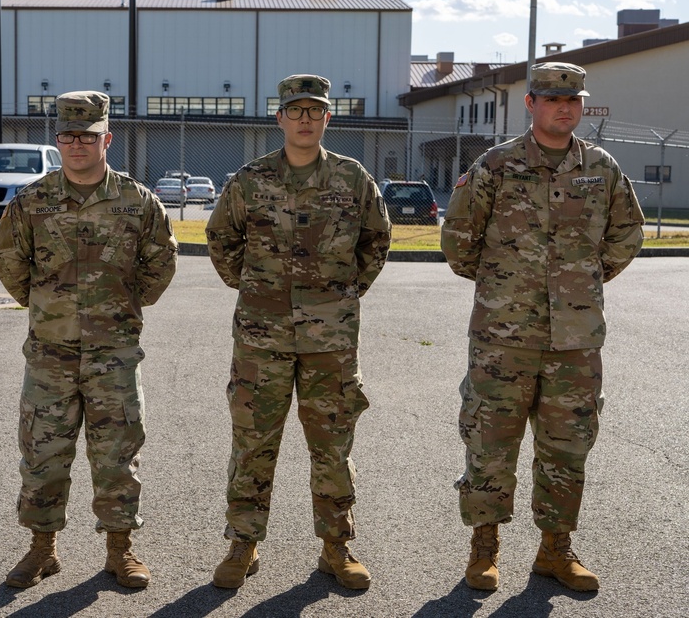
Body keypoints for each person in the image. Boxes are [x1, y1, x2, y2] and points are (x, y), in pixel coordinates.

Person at [441, 62, 645, 592]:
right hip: (502, 340)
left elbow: (626, 234)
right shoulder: (496, 166)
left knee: (568, 446)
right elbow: (458, 242)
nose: (564, 108)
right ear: (530, 104)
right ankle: (484, 549)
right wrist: (505, 288)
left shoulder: (601, 168)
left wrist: (581, 282)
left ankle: (556, 549)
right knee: (490, 442)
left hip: (575, 342)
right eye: (553, 100)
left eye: (573, 100)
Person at [204, 74, 392, 590]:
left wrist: (342, 295)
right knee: (252, 442)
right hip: (261, 338)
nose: (305, 118)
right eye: (296, 110)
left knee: (332, 444)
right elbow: (221, 239)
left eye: (315, 110)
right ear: (280, 117)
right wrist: (255, 291)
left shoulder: (353, 180)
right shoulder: (250, 179)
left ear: (328, 118)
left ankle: (336, 546)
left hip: (330, 340)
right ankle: (244, 543)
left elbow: (377, 243)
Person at [0, 91, 178, 589]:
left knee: (117, 455)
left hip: (114, 354)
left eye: (88, 136)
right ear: (58, 140)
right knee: (42, 454)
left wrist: (122, 308)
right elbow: (10, 262)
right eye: (69, 136)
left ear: (106, 140)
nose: (78, 145)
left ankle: (120, 550)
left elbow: (160, 265)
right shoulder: (32, 201)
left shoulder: (137, 202)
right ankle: (41, 550)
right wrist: (47, 307)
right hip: (50, 353)